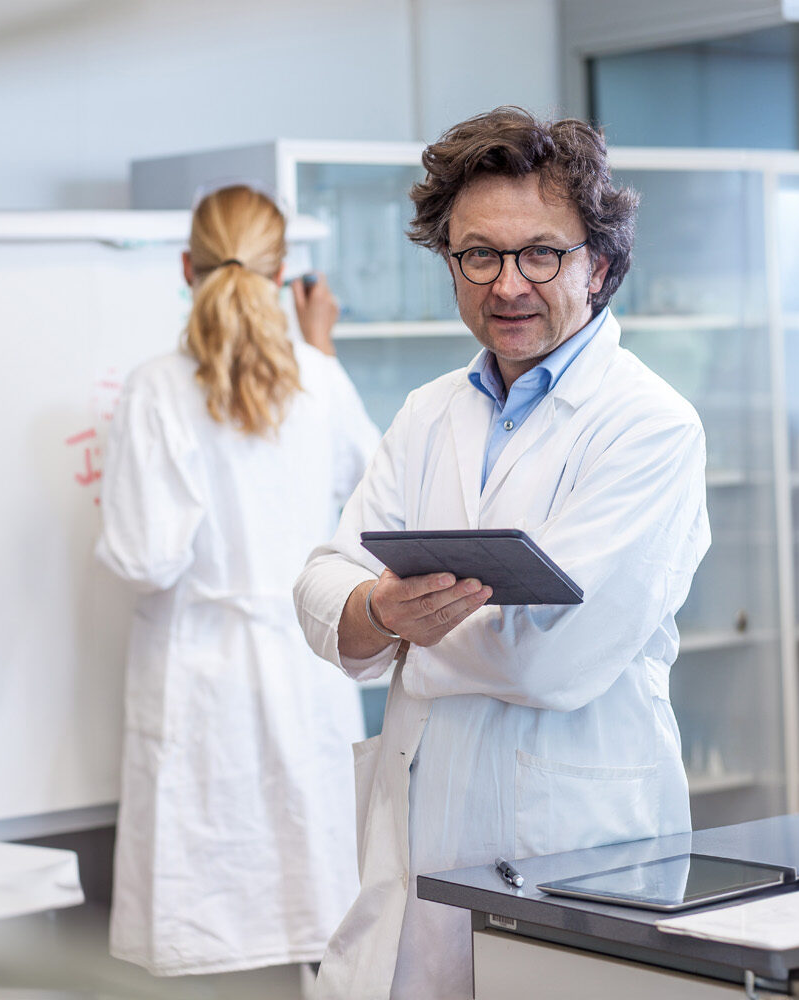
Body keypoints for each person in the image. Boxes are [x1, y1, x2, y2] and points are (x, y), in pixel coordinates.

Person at [293, 107, 711, 1000]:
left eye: (541, 254)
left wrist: (402, 628)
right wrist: (374, 611)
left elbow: (552, 656)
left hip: (577, 850)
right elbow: (323, 586)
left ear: (598, 265)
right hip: (418, 848)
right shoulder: (427, 412)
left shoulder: (650, 427)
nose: (507, 283)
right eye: (477, 254)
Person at [96, 184, 380, 978]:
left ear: (185, 267)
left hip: (199, 679)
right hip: (305, 664)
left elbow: (147, 557)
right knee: (318, 913)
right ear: (283, 271)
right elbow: (381, 501)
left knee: (204, 928)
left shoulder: (157, 387)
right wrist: (319, 349)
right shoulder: (319, 380)